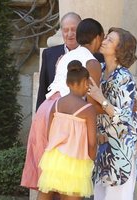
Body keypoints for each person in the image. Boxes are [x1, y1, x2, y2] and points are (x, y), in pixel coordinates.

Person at [21, 18, 104, 194]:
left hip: (48, 111)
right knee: (69, 183)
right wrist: (112, 111)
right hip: (68, 116)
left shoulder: (67, 56)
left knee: (50, 183)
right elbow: (92, 103)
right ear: (98, 37)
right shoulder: (92, 62)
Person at [87, 27, 137, 200]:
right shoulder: (100, 70)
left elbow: (126, 117)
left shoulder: (125, 78)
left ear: (119, 50)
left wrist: (101, 98)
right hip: (103, 146)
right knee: (99, 195)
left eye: (110, 40)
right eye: (106, 38)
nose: (104, 41)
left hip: (121, 147)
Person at [36, 60, 97, 200]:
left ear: (67, 83)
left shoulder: (55, 105)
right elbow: (92, 143)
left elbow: (49, 134)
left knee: (45, 194)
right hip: (77, 161)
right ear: (86, 83)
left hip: (54, 158)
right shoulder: (88, 109)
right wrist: (90, 160)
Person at [36, 12, 81, 110]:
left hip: (81, 113)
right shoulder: (49, 54)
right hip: (54, 112)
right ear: (61, 31)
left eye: (74, 29)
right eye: (65, 30)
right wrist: (39, 115)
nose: (70, 34)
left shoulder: (93, 56)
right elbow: (43, 88)